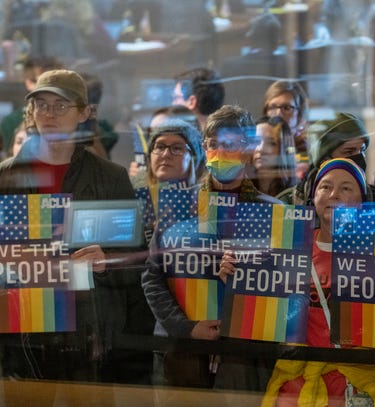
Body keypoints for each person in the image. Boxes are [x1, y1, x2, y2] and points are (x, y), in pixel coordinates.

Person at [220, 157, 375, 405]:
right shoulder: (288, 246)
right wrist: (233, 278)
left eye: (346, 187)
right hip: (295, 387)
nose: (334, 194)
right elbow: (259, 317)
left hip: (359, 386)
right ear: (313, 197)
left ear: (362, 201)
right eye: (325, 187)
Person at [0, 69, 152, 383]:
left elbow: (137, 258)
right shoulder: (6, 177)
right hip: (21, 327)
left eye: (61, 106)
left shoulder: (109, 177)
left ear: (84, 113)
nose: (49, 114)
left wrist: (106, 259)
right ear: (31, 112)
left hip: (88, 327)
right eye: (41, 105)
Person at [141, 104, 280, 389]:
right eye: (213, 144)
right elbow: (152, 277)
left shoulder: (274, 213)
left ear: (249, 148)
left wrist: (250, 273)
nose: (219, 152)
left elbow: (286, 284)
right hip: (180, 353)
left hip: (244, 355)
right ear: (204, 147)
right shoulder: (178, 207)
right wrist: (186, 328)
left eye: (229, 144)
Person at [280, 111, 375, 206]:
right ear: (324, 159)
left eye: (362, 150)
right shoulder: (290, 203)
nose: (359, 158)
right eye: (349, 151)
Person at [0, 56, 65, 150]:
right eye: (44, 82)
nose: (51, 89)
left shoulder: (72, 117)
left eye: (57, 81)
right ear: (29, 83)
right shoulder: (11, 122)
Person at [262, 80, 310, 180]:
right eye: (273, 107)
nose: (278, 113)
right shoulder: (258, 147)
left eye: (287, 108)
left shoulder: (309, 151)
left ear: (300, 115)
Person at [251, 115, 297, 197]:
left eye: (271, 143)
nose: (261, 149)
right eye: (256, 141)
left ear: (284, 150)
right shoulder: (239, 188)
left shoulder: (297, 195)